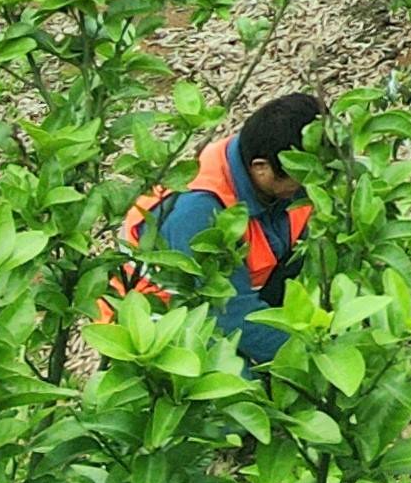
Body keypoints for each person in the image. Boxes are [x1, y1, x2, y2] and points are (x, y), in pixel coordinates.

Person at [116, 92, 324, 362]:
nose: (316, 183)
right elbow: (231, 316)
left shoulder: (264, 163)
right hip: (163, 327)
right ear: (261, 168)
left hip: (246, 286)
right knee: (246, 388)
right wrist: (315, 358)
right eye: (303, 175)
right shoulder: (198, 214)